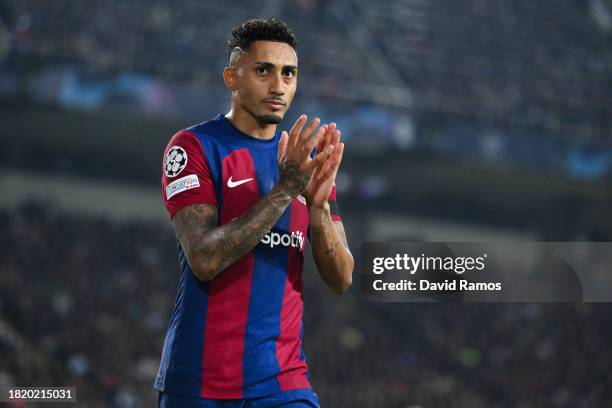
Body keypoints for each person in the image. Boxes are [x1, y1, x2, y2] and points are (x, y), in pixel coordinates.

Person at [155, 17, 354, 408]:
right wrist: (285, 191)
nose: (278, 86)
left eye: (289, 73)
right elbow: (204, 258)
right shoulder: (194, 147)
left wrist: (316, 208)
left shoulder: (306, 161)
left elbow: (342, 278)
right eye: (263, 70)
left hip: (283, 384)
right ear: (232, 78)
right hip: (198, 385)